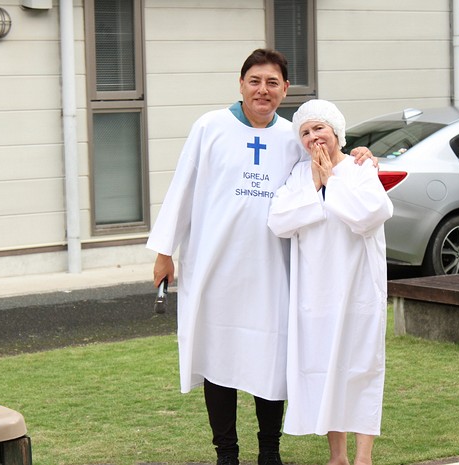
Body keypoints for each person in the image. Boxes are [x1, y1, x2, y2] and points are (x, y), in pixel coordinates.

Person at [146, 49, 374, 465]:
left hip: (274, 271)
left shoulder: (293, 136)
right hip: (215, 268)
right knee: (218, 358)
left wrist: (362, 156)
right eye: (255, 81)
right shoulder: (210, 127)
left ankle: (270, 451)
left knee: (272, 361)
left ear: (285, 89)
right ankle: (226, 454)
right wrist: (165, 253)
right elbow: (181, 189)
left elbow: (327, 165)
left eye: (272, 83)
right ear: (241, 84)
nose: (262, 90)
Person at [267, 99, 393, 465]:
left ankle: (363, 456)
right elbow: (277, 221)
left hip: (358, 291)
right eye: (305, 132)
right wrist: (315, 188)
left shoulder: (359, 168)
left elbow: (373, 213)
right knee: (326, 370)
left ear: (336, 132)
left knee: (362, 368)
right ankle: (337, 455)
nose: (313, 137)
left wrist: (331, 184)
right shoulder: (298, 176)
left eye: (319, 128)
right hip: (316, 292)